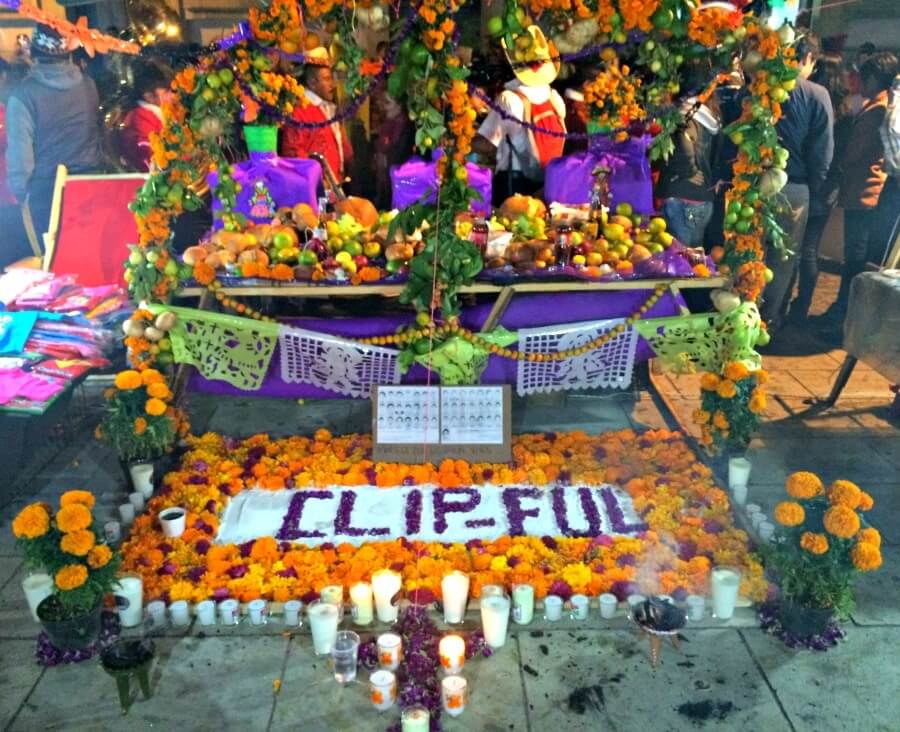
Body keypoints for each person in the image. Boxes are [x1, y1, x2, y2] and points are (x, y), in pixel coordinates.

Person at [817, 52, 898, 337]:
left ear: (874, 79)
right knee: (856, 262)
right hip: (867, 195)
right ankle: (842, 315)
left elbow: (855, 155)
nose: (858, 82)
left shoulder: (877, 111)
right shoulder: (880, 106)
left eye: (862, 77)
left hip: (865, 196)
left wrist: (837, 165)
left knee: (855, 263)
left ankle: (844, 322)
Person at [759, 33, 833, 333]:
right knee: (783, 258)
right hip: (794, 188)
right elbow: (822, 153)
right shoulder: (817, 94)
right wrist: (817, 193)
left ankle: (740, 316)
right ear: (808, 59)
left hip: (751, 183)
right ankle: (768, 321)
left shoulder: (761, 88)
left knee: (749, 250)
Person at [6, 24, 102, 246]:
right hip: (91, 185)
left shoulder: (23, 95)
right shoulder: (88, 85)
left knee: (56, 268)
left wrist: (23, 195)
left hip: (48, 193)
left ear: (35, 54)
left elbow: (21, 156)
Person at [787, 55, 853, 322]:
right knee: (809, 249)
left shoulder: (814, 101)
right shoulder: (846, 112)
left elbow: (818, 153)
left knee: (798, 250)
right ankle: (801, 305)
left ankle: (795, 306)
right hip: (827, 188)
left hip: (814, 185)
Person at [472, 25, 566, 206]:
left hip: (514, 188)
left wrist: (459, 143)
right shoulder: (554, 98)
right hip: (546, 185)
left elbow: (487, 145)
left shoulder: (509, 99)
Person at [656, 64, 721, 247]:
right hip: (703, 200)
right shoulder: (710, 116)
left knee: (681, 264)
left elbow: (682, 140)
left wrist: (689, 170)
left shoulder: (683, 115)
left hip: (682, 198)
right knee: (694, 261)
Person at [280, 48, 353, 185]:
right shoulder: (300, 111)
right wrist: (317, 178)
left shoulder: (329, 108)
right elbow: (293, 153)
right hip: (315, 189)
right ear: (312, 82)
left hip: (336, 185)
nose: (333, 84)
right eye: (327, 79)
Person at [118, 63, 171, 171]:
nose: (171, 97)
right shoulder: (140, 117)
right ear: (149, 96)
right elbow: (150, 156)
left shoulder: (155, 114)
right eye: (166, 93)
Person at [372, 84, 413, 210]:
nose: (384, 107)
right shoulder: (390, 122)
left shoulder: (401, 124)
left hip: (396, 176)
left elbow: (388, 147)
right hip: (386, 174)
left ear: (399, 106)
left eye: (388, 103)